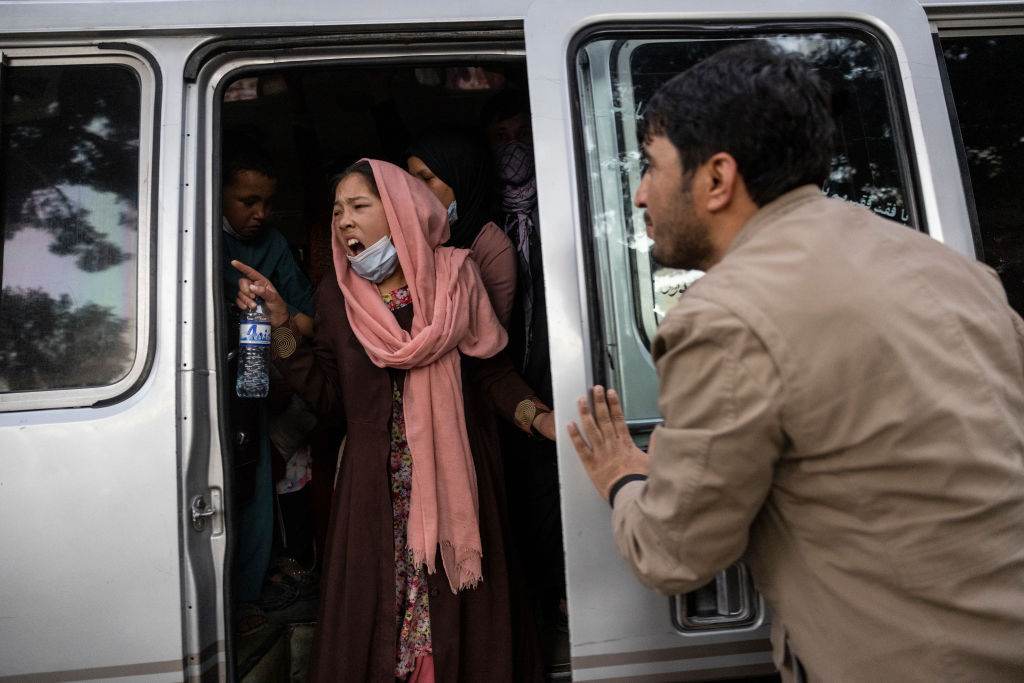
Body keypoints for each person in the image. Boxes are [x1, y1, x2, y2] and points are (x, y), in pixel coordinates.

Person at [568, 41, 1024, 681]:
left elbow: (674, 554)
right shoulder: (953, 271)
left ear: (717, 179)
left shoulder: (722, 317)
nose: (641, 195)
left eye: (651, 167)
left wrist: (623, 478)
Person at [232, 159, 544, 682]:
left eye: (359, 207)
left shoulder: (456, 277)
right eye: (337, 212)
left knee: (459, 611)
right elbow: (331, 399)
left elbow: (493, 374)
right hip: (377, 490)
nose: (344, 222)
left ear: (399, 210)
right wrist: (284, 325)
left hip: (455, 480)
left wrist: (541, 419)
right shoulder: (336, 296)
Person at [220, 135, 317, 632]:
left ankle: (250, 593)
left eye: (267, 202)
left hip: (257, 382)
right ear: (218, 193)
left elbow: (309, 320)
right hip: (209, 378)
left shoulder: (275, 246)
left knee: (255, 482)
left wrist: (276, 310)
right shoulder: (199, 237)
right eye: (247, 200)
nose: (260, 213)